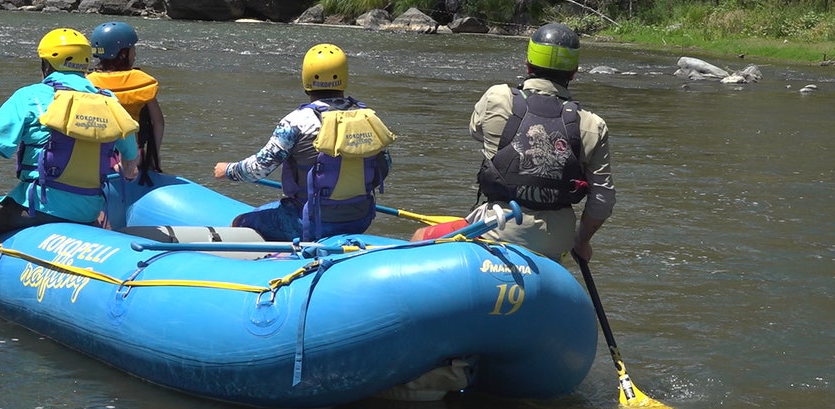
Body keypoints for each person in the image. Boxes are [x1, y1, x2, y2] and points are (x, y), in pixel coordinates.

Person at [0, 27, 139, 305]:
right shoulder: (109, 100)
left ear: (46, 64)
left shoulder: (30, 96)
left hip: (38, 209)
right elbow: (131, 165)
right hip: (88, 210)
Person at [414, 23, 615, 263]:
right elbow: (602, 200)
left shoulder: (497, 97)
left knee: (420, 235)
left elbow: (476, 132)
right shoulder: (592, 124)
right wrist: (581, 241)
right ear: (573, 72)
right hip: (555, 239)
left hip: (496, 227)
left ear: (528, 64)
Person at [214, 43, 395, 241]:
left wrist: (228, 170)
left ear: (306, 77)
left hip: (310, 220)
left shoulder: (296, 122)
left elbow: (258, 169)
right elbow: (384, 168)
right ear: (343, 77)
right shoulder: (369, 119)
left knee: (242, 221)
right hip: (361, 218)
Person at [88, 21, 165, 185]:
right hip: (132, 158)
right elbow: (158, 123)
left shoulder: (86, 83)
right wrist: (153, 159)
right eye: (133, 49)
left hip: (95, 158)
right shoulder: (142, 82)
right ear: (123, 53)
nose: (135, 53)